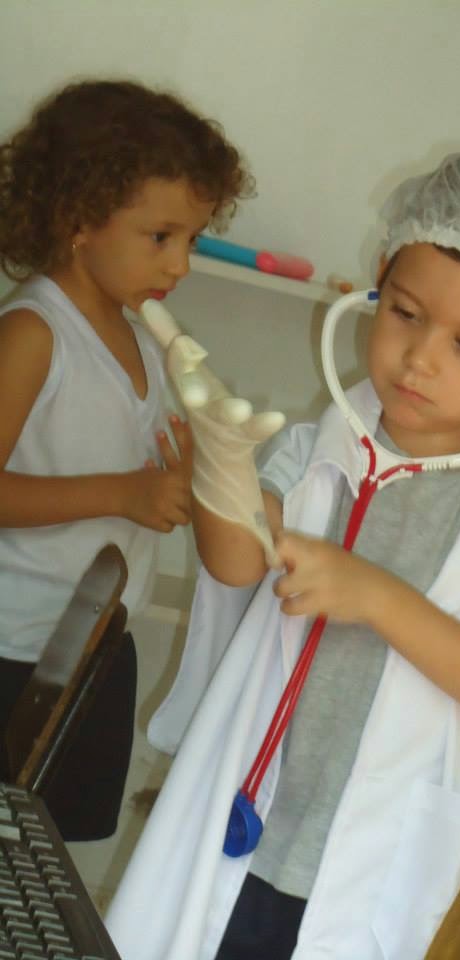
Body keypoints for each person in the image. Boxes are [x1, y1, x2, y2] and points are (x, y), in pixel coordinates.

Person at [107, 149, 460, 960]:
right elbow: (240, 562)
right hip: (253, 837)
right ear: (377, 285)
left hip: (390, 880)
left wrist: (379, 598)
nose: (421, 358)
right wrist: (222, 471)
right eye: (406, 313)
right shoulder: (320, 448)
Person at [0, 78, 251, 839]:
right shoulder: (34, 332)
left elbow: (143, 478)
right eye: (161, 237)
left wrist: (187, 474)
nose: (181, 265)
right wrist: (122, 493)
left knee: (52, 857)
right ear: (78, 218)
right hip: (14, 649)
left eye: (192, 240)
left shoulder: (144, 341)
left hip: (93, 650)